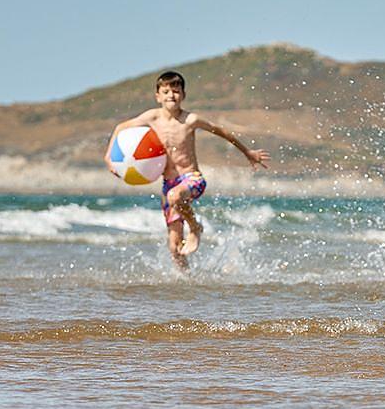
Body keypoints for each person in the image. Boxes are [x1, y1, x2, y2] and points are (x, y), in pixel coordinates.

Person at [112, 71, 269, 270]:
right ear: (158, 96)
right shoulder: (151, 117)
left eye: (176, 91)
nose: (171, 95)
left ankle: (195, 228)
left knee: (175, 196)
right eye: (166, 91)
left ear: (183, 95)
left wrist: (247, 152)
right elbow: (120, 128)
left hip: (192, 179)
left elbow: (222, 131)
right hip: (168, 184)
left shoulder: (190, 120)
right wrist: (109, 158)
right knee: (174, 247)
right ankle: (187, 282)